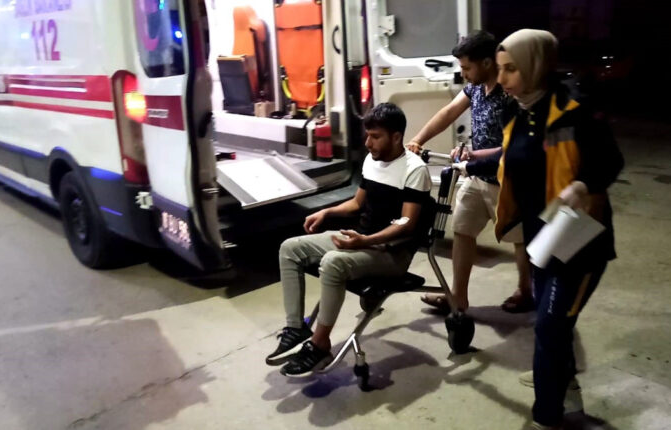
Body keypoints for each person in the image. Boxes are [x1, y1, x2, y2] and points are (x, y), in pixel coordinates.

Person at [494, 29, 624, 429]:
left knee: (551, 326)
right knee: (554, 327)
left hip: (579, 242)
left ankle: (547, 417)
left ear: (535, 65)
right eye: (499, 69)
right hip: (542, 239)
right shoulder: (516, 113)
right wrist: (468, 164)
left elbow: (610, 160)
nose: (501, 79)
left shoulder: (575, 108)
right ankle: (565, 390)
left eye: (510, 69)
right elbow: (513, 159)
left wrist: (583, 185)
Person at [266, 103, 432, 377]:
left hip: (392, 252)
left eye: (375, 136)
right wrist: (327, 211)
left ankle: (320, 344)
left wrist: (364, 242)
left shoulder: (415, 170)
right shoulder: (371, 160)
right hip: (362, 240)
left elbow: (406, 223)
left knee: (333, 262)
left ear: (396, 137)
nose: (368, 143)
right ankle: (296, 328)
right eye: (367, 136)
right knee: (290, 248)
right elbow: (357, 203)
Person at [406, 30, 532, 313]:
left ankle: (526, 291)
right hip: (475, 176)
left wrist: (474, 155)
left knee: (519, 239)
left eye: (466, 67)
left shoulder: (510, 94)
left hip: (506, 180)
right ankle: (457, 298)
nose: (463, 74)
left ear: (487, 62)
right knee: (462, 230)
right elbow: (448, 113)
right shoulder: (475, 88)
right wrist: (418, 139)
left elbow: (513, 147)